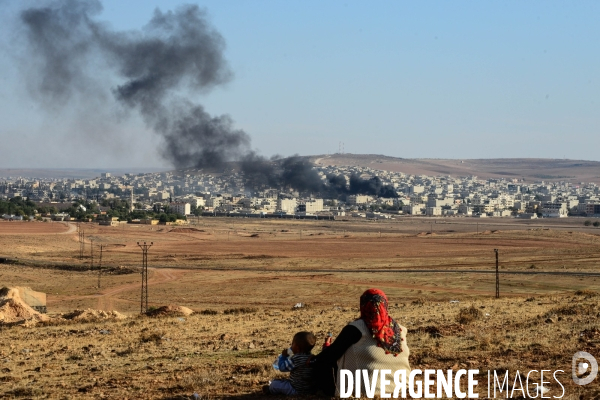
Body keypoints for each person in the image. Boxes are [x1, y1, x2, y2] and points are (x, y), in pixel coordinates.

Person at [311, 288, 411, 396]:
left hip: (368, 391)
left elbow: (330, 355)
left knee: (320, 365)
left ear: (363, 305)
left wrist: (313, 360)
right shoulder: (401, 329)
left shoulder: (356, 328)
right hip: (403, 388)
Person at [264, 331, 317, 395]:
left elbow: (282, 367)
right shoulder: (311, 357)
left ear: (297, 348)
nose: (291, 346)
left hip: (296, 389)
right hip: (311, 389)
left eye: (292, 344)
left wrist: (283, 356)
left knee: (274, 384)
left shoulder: (297, 358)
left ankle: (270, 389)